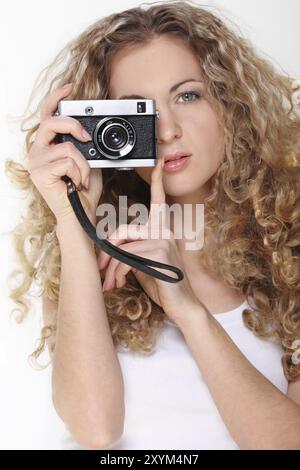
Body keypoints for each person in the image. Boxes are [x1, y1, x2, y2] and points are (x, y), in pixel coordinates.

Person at [5, 0, 300, 450]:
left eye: (188, 95)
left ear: (231, 103)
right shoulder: (87, 253)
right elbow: (96, 433)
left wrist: (188, 310)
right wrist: (72, 219)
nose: (166, 130)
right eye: (139, 110)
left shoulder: (291, 254)